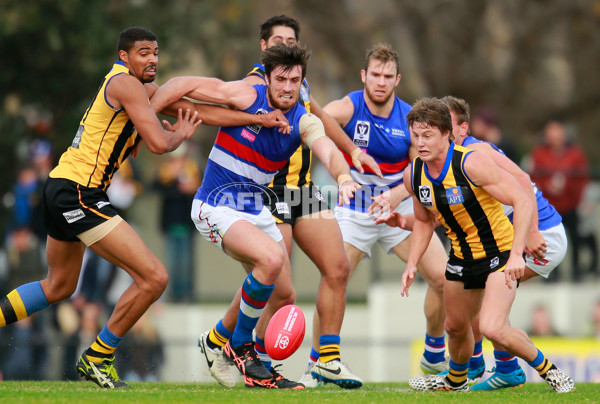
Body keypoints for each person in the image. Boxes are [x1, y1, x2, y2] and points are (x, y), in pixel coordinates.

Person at [0, 26, 289, 389]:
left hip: (62, 187)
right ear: (124, 57)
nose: (152, 59)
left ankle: (90, 356)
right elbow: (158, 142)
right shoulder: (125, 85)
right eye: (143, 53)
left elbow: (198, 112)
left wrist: (256, 118)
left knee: (58, 286)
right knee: (155, 278)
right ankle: (97, 358)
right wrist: (178, 136)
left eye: (155, 52)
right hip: (78, 192)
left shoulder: (142, 89)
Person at [150, 43, 360, 389]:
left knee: (283, 293)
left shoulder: (303, 120)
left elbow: (328, 150)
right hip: (214, 205)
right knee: (271, 257)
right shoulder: (247, 95)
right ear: (268, 77)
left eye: (295, 80)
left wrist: (344, 176)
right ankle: (243, 351)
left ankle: (216, 340)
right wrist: (147, 115)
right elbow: (181, 83)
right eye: (282, 79)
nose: (288, 87)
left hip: (253, 208)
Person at [383, 97, 574, 393]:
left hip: (498, 254)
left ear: (448, 134)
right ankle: (457, 381)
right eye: (416, 135)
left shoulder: (472, 162)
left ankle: (553, 373)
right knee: (455, 327)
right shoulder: (414, 174)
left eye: (428, 135)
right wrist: (411, 263)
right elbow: (424, 221)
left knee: (492, 326)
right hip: (461, 257)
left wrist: (515, 256)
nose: (420, 143)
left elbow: (522, 198)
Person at [322, 43, 449, 376]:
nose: (380, 81)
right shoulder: (349, 107)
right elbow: (313, 119)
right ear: (364, 76)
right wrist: (345, 156)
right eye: (375, 74)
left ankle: (434, 352)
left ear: (397, 80)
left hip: (398, 209)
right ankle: (320, 362)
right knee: (333, 279)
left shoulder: (409, 120)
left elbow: (419, 172)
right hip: (354, 209)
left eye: (387, 76)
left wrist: (397, 197)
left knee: (445, 279)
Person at [438, 95, 567, 390]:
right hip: (519, 235)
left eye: (448, 124)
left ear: (462, 129)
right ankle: (483, 365)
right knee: (479, 304)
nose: (441, 130)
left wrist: (533, 231)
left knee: (487, 309)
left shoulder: (475, 150)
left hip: (542, 235)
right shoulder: (449, 161)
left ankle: (495, 368)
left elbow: (522, 178)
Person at [529, 118, 590, 282]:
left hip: (571, 204)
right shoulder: (539, 153)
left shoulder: (575, 153)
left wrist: (577, 195)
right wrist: (547, 186)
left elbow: (583, 178)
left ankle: (577, 271)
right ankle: (550, 273)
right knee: (548, 241)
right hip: (549, 206)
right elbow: (532, 177)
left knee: (575, 237)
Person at [154, 144, 201, 302]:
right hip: (170, 223)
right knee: (172, 262)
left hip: (187, 223)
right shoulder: (165, 171)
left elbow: (202, 187)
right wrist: (171, 177)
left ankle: (187, 293)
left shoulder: (192, 168)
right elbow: (154, 186)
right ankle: (173, 294)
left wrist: (192, 188)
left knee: (186, 262)